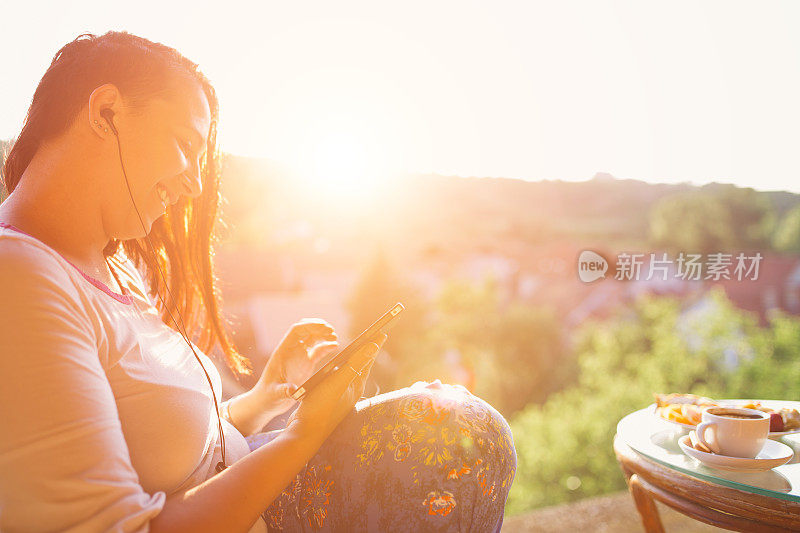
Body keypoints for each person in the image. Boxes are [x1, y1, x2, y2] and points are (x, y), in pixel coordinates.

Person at [0, 31, 516, 532]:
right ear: (105, 112)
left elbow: (168, 446)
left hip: (248, 469)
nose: (195, 183)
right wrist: (301, 435)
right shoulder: (20, 278)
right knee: (462, 433)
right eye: (185, 144)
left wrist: (267, 397)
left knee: (459, 427)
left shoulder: (108, 263)